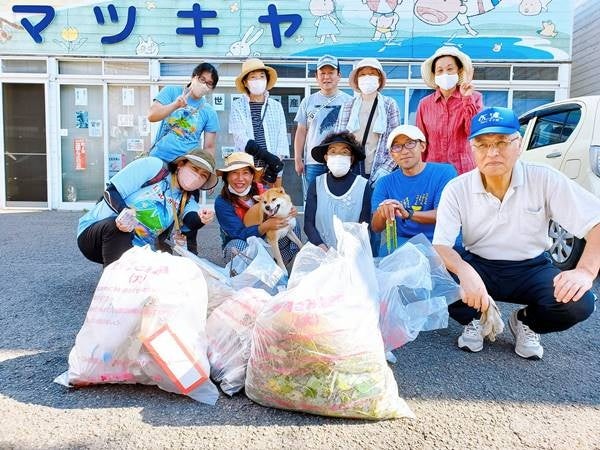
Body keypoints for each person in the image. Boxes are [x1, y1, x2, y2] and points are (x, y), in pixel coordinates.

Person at [432, 106, 600, 360]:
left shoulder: (544, 178)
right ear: (472, 149)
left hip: (531, 267)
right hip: (480, 264)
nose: (493, 152)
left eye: (502, 142)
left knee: (579, 302)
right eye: (483, 144)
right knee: (433, 277)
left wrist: (585, 271)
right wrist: (465, 272)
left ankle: (526, 321)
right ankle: (475, 317)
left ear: (518, 144)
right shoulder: (457, 188)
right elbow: (442, 245)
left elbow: (596, 222)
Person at [77, 148, 218, 267]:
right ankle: (112, 287)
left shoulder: (187, 199)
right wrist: (124, 213)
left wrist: (202, 218)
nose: (196, 176)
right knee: (117, 227)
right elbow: (112, 191)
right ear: (181, 164)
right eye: (194, 169)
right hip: (95, 235)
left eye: (203, 175)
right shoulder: (154, 167)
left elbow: (190, 219)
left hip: (138, 250)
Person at [371, 125, 457, 256]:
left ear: (422, 146)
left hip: (439, 243)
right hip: (402, 245)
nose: (404, 151)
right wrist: (383, 212)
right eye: (397, 147)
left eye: (410, 143)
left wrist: (408, 214)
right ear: (391, 154)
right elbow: (376, 227)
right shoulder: (384, 183)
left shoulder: (445, 172)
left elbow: (446, 215)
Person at [214, 152, 300, 264]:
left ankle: (278, 266)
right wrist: (263, 227)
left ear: (252, 176)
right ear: (226, 177)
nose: (240, 178)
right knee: (236, 247)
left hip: (268, 239)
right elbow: (237, 233)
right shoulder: (222, 202)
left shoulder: (263, 191)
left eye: (245, 173)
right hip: (242, 241)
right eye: (234, 173)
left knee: (293, 224)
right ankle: (250, 274)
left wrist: (290, 210)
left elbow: (280, 201)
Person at [416, 46, 483, 175]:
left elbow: (474, 132)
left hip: (464, 171)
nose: (444, 74)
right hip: (433, 171)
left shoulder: (474, 98)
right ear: (434, 75)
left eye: (450, 69)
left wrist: (467, 98)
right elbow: (421, 143)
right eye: (439, 70)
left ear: (459, 71)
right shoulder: (424, 104)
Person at [335, 57, 400, 186]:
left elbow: (396, 142)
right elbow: (338, 138)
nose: (367, 77)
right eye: (363, 74)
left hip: (378, 168)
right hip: (351, 167)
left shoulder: (389, 104)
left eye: (372, 73)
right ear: (357, 80)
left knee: (376, 205)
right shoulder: (348, 105)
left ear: (379, 79)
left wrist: (385, 169)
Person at [294, 54, 352, 198]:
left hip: (341, 160)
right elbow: (301, 131)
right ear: (316, 76)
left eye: (331, 73)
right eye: (323, 73)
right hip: (313, 162)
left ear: (339, 75)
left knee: (340, 199)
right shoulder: (308, 102)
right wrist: (297, 158)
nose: (326, 77)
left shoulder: (350, 101)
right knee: (313, 200)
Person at [304, 131, 372, 251]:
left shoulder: (362, 186)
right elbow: (308, 224)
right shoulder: (317, 184)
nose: (338, 156)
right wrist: (321, 247)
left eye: (344, 152)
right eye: (333, 152)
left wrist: (350, 250)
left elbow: (364, 226)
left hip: (353, 255)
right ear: (326, 157)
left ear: (351, 158)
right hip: (321, 254)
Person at [229, 58, 289, 187]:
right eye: (253, 77)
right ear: (245, 82)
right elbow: (240, 138)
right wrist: (267, 157)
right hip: (247, 169)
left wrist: (274, 164)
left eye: (261, 76)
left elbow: (282, 138)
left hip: (271, 170)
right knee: (249, 205)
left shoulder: (276, 106)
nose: (258, 80)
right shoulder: (238, 106)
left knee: (272, 204)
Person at [148, 62, 220, 161]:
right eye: (202, 79)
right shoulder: (171, 91)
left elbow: (209, 147)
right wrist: (175, 105)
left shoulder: (209, 111)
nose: (204, 85)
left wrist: (207, 170)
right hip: (159, 157)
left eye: (209, 83)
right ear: (194, 77)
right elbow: (152, 116)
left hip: (186, 164)